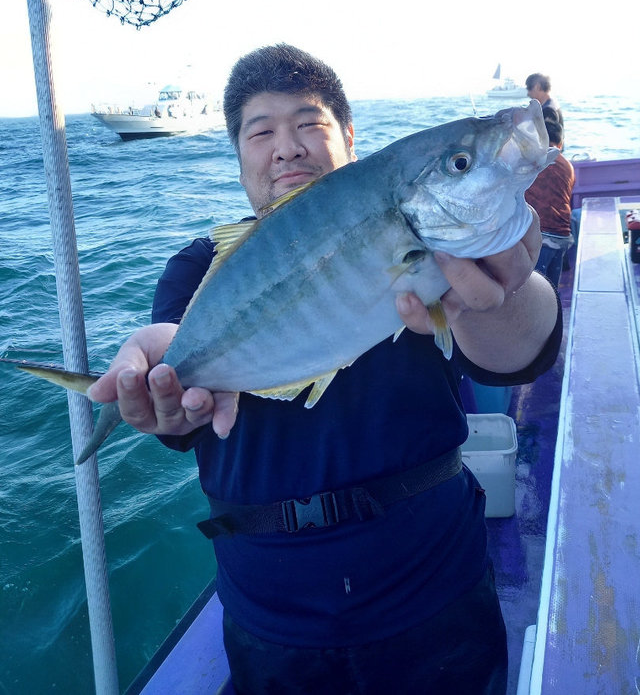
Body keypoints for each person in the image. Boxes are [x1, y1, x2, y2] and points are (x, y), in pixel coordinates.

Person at [89, 44, 562, 695]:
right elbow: (184, 413)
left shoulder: (440, 247)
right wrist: (161, 380)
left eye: (309, 124)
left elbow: (521, 350)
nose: (286, 147)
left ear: (348, 137)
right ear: (239, 156)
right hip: (273, 616)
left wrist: (508, 291)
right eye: (261, 131)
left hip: (432, 586)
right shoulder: (198, 271)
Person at [524, 113, 575, 289]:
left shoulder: (532, 162)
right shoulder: (568, 166)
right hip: (563, 235)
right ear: (560, 144)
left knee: (539, 289)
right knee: (553, 289)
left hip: (541, 236)